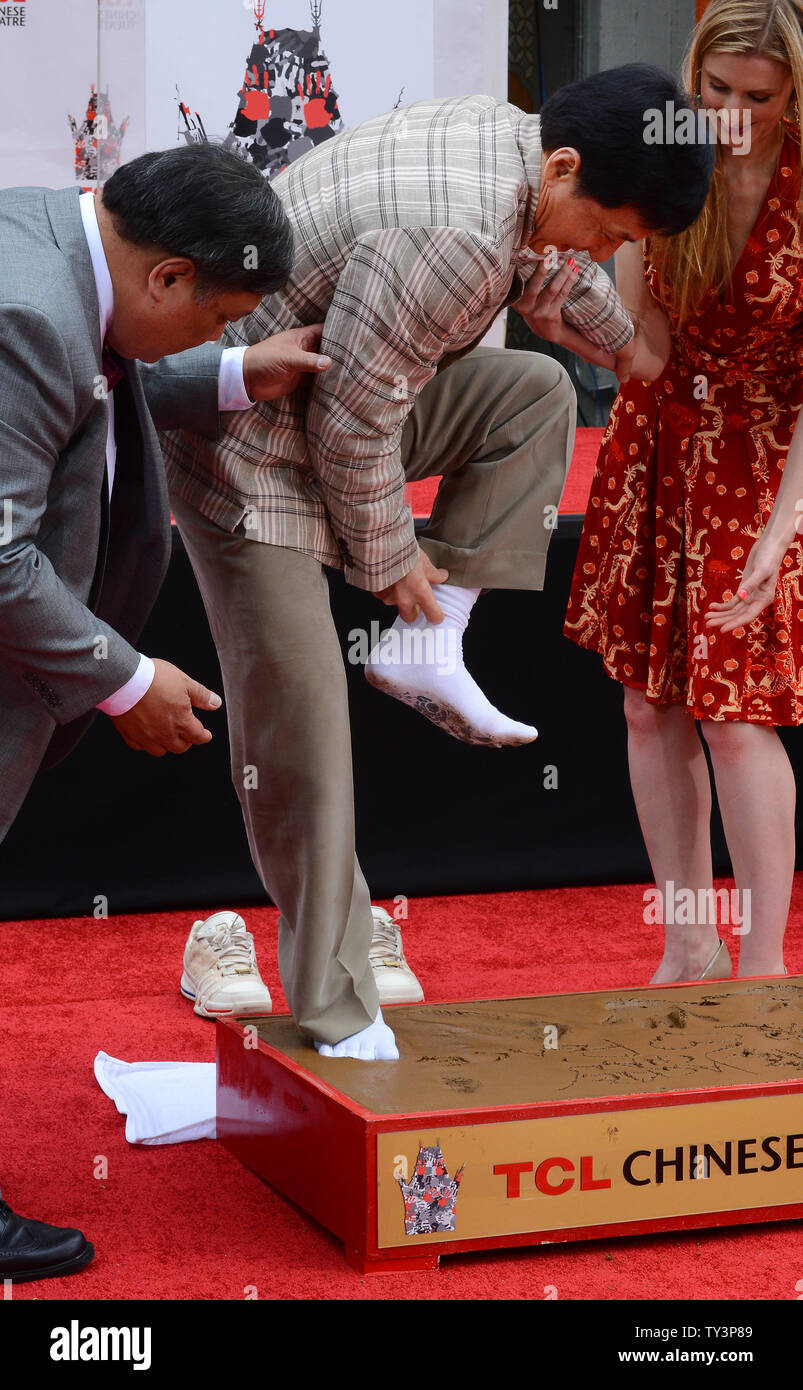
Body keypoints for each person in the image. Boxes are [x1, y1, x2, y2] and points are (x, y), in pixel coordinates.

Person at [160, 66, 714, 1062]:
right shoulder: (456, 236)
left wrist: (621, 348)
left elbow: (571, 289)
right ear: (562, 165)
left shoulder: (514, 148)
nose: (605, 253)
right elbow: (353, 423)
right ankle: (337, 1015)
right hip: (246, 450)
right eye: (610, 230)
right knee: (305, 740)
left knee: (532, 392)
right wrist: (392, 565)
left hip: (328, 404)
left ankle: (430, 642)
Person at [0, 141, 329, 1282]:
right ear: (167, 278)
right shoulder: (30, 314)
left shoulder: (60, 237)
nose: (210, 337)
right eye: (216, 319)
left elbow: (112, 380)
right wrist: (125, 676)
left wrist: (237, 375)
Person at [564, 0, 803, 984]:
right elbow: (646, 356)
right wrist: (572, 324)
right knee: (644, 707)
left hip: (769, 460)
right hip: (656, 452)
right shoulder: (668, 167)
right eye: (714, 90)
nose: (731, 114)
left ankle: (759, 965)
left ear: (792, 96)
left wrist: (780, 532)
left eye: (758, 97)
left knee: (735, 717)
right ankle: (685, 940)